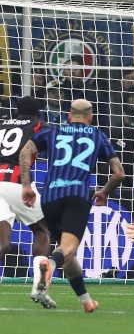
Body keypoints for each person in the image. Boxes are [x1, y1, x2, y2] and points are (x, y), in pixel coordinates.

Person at [20, 99, 125, 313]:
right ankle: (50, 265)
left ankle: (86, 301)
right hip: (77, 196)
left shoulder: (52, 131)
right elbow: (119, 173)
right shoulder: (97, 135)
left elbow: (25, 152)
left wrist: (26, 185)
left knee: (66, 252)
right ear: (91, 117)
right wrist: (105, 191)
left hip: (50, 197)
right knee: (67, 249)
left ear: (69, 115)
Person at [0, 97, 50, 264]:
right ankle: (39, 277)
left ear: (16, 111)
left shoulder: (2, 124)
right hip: (18, 184)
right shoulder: (39, 125)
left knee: (2, 244)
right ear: (38, 112)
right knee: (43, 230)